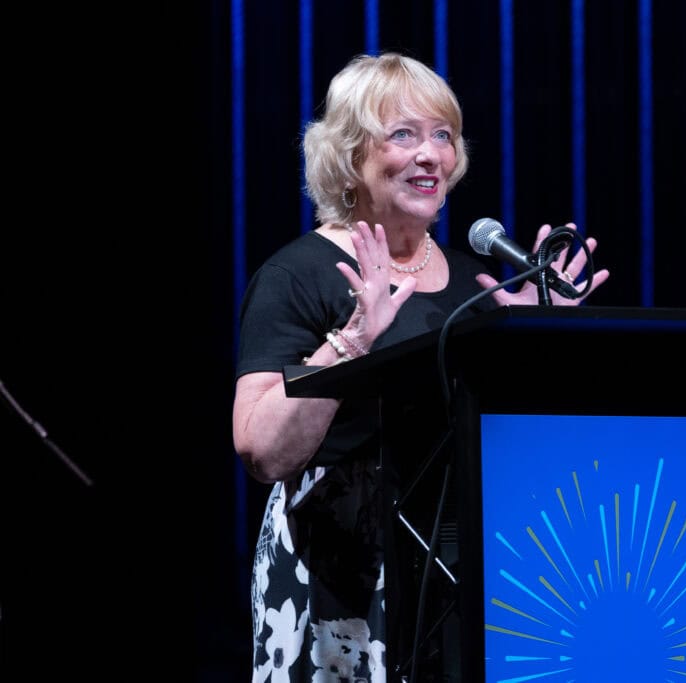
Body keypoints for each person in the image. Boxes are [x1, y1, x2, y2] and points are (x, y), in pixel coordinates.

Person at [232, 51, 610, 682]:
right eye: (403, 135)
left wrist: (532, 338)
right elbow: (260, 450)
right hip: (341, 573)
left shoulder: (476, 279)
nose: (431, 154)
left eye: (444, 135)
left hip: (468, 558)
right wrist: (350, 340)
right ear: (351, 156)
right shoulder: (295, 276)